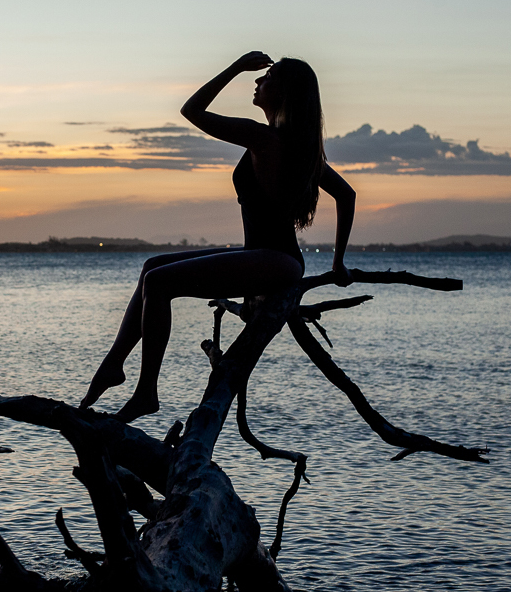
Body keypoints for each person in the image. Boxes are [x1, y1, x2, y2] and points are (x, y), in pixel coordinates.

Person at [79, 51, 356, 422]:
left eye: (267, 78)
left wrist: (236, 66)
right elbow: (347, 195)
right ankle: (115, 363)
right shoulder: (293, 146)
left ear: (286, 92)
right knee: (151, 267)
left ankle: (146, 393)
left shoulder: (265, 138)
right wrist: (337, 264)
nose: (257, 82)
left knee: (160, 282)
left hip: (275, 261)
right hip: (270, 258)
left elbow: (192, 111)